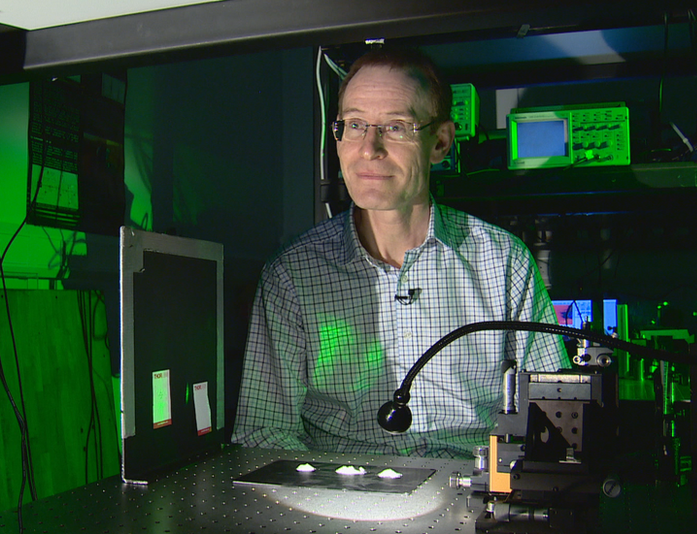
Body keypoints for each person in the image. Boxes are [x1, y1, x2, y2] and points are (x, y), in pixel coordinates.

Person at [231, 48, 570, 458]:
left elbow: (556, 417)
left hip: (471, 496)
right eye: (355, 125)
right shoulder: (292, 275)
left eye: (395, 127)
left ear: (440, 142)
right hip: (342, 498)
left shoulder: (503, 263)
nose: (369, 148)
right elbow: (264, 433)